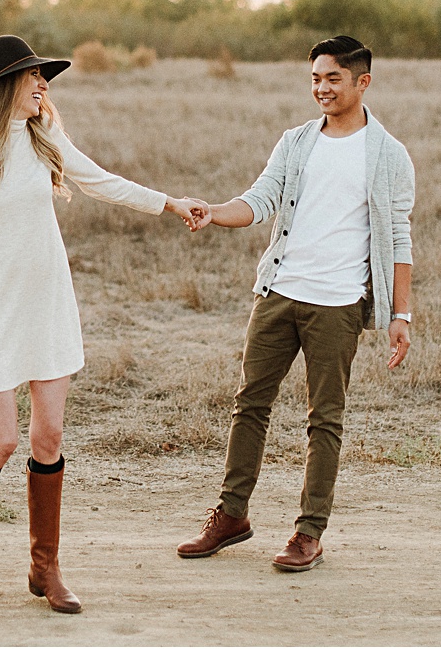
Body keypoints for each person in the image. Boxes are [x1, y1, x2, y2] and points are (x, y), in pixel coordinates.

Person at [0, 34, 207, 613]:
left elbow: (102, 181)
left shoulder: (45, 139)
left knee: (48, 438)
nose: (44, 83)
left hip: (46, 304)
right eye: (32, 76)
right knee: (0, 439)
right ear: (3, 87)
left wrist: (169, 203)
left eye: (44, 75)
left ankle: (45, 567)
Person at [177, 34, 415, 572]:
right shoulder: (297, 142)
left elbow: (399, 239)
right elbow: (260, 200)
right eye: (314, 79)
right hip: (280, 294)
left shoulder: (389, 155)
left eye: (332, 78)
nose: (321, 89)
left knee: (324, 419)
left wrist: (400, 316)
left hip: (338, 305)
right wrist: (215, 211)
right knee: (249, 404)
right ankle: (231, 515)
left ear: (362, 82)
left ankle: (309, 532)